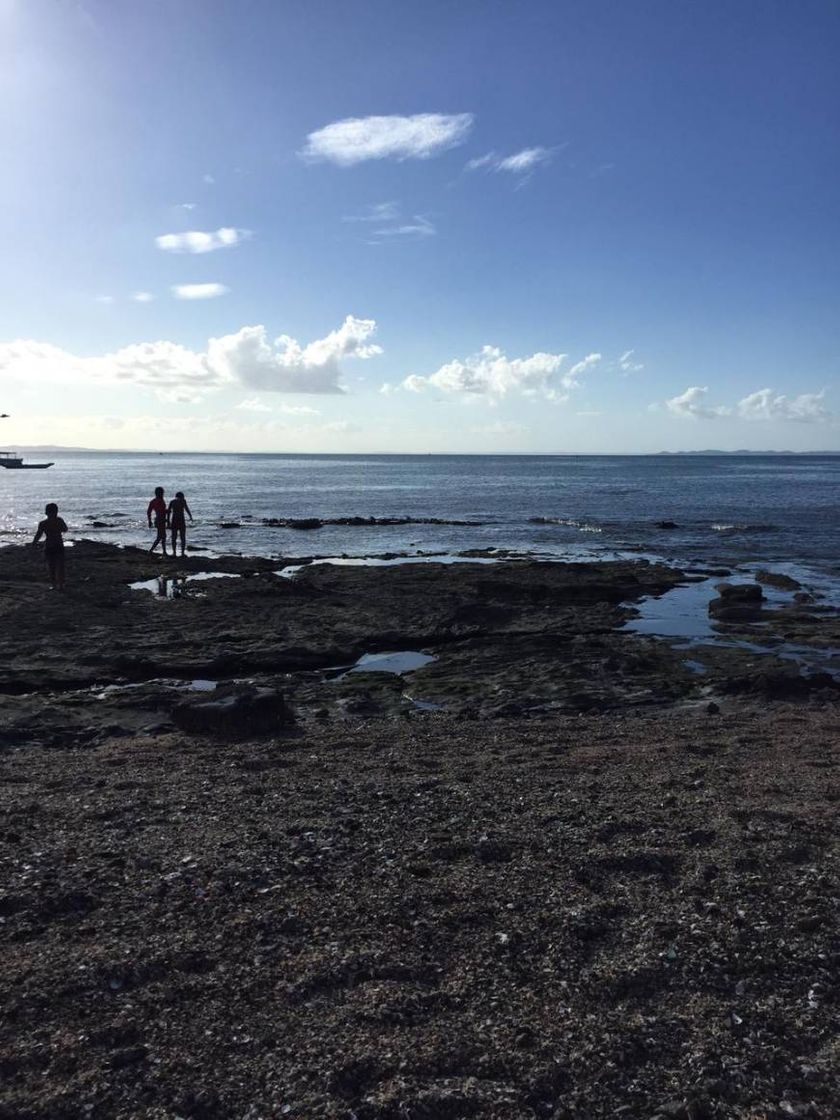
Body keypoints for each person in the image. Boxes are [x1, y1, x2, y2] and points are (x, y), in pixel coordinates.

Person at [32, 502, 68, 590]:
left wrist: (34, 542)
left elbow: (38, 534)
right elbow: (65, 529)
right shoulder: (59, 520)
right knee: (59, 566)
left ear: (46, 512)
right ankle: (60, 585)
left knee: (52, 566)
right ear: (56, 512)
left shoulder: (43, 523)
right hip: (58, 544)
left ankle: (55, 585)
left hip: (50, 545)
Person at [168, 491, 193, 557]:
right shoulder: (183, 501)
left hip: (174, 520)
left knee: (174, 537)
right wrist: (190, 516)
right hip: (181, 520)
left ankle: (174, 552)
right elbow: (186, 509)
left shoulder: (172, 501)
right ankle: (182, 553)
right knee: (182, 537)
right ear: (182, 496)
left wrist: (168, 521)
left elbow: (168, 512)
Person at [147, 486, 168, 555]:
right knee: (161, 536)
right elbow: (161, 511)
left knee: (162, 536)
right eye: (162, 493)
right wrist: (167, 511)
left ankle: (164, 551)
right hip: (161, 519)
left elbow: (149, 512)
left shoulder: (153, 501)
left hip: (159, 519)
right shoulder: (160, 501)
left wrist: (150, 521)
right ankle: (151, 550)